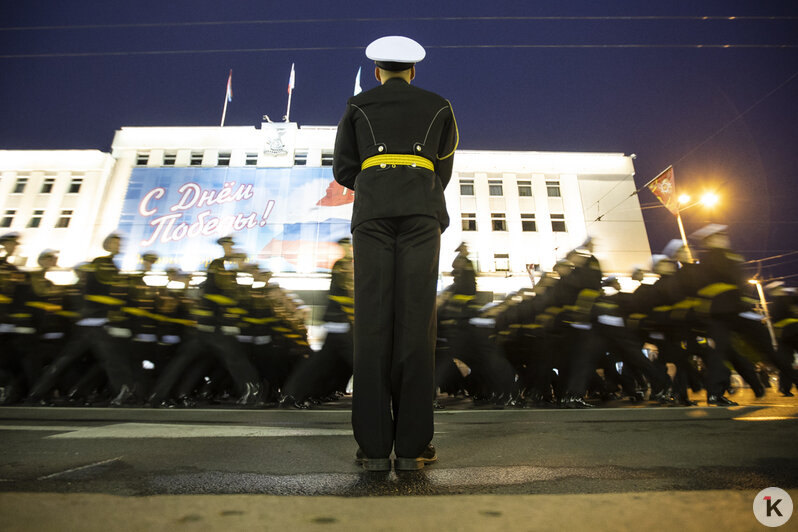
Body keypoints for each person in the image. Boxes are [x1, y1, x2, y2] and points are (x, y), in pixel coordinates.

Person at [333, 35, 458, 471]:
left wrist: (379, 182)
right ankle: (412, 448)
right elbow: (442, 168)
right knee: (416, 325)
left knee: (372, 324)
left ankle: (372, 449)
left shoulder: (356, 106)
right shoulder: (440, 105)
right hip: (422, 215)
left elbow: (344, 168)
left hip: (373, 216)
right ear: (414, 72)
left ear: (376, 72)